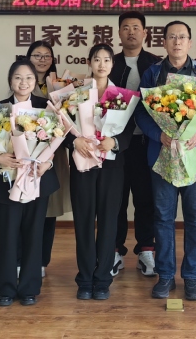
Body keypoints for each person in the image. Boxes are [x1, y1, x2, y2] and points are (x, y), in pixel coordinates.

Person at [134, 20, 196, 301]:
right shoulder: (152, 74)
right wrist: (158, 134)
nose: (177, 42)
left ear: (190, 42)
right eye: (171, 37)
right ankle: (165, 276)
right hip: (162, 154)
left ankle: (192, 277)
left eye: (182, 37)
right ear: (164, 42)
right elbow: (141, 112)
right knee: (163, 217)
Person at [0, 60, 57, 306]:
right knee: (7, 236)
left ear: (34, 81)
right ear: (10, 81)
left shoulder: (46, 107)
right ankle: (5, 289)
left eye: (28, 77)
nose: (23, 82)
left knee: (34, 234)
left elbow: (56, 142)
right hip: (7, 180)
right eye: (18, 77)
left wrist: (47, 164)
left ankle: (29, 288)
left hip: (37, 179)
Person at [70, 44, 133, 300]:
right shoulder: (76, 92)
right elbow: (62, 124)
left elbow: (129, 129)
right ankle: (85, 279)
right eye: (97, 59)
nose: (102, 64)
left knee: (108, 221)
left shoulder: (122, 95)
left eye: (107, 60)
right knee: (84, 221)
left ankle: (103, 279)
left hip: (111, 166)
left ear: (112, 64)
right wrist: (74, 141)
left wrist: (114, 142)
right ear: (89, 62)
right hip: (83, 163)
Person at [110, 11, 161, 277]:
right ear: (119, 33)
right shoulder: (110, 62)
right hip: (115, 144)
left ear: (145, 33)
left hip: (146, 142)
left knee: (145, 198)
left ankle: (146, 250)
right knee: (116, 198)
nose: (131, 32)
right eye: (126, 27)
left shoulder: (156, 64)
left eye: (136, 27)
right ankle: (115, 250)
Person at [25, 40, 70, 277]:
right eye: (37, 55)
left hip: (54, 152)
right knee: (27, 207)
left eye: (46, 56)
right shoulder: (23, 81)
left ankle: (42, 260)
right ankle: (25, 259)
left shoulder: (60, 85)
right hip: (27, 152)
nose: (42, 59)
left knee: (49, 208)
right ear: (28, 58)